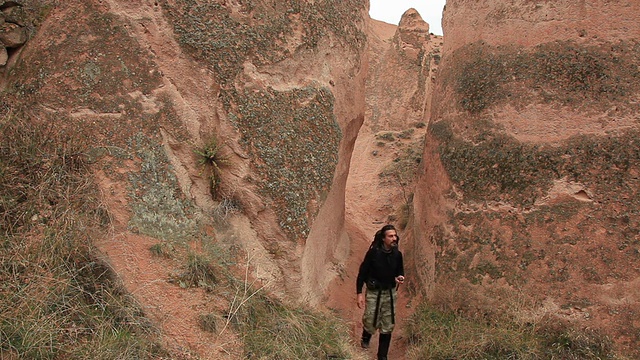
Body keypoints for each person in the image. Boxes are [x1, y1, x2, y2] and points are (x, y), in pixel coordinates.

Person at [356, 224, 405, 360]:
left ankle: (382, 356)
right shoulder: (373, 253)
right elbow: (362, 272)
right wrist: (359, 293)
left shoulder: (397, 254)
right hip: (374, 293)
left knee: (388, 325)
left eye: (395, 235)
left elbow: (400, 270)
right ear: (383, 238)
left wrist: (400, 277)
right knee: (370, 320)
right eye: (391, 236)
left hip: (389, 293)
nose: (394, 238)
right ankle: (366, 338)